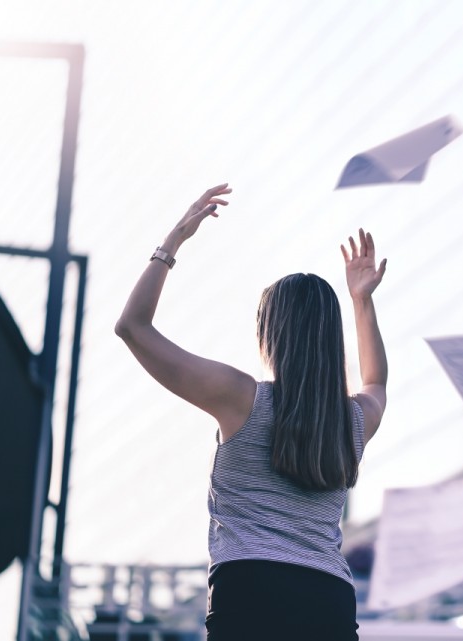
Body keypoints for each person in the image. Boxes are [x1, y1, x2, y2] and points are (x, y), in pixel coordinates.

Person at [115, 184, 387, 640]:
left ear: (270, 334)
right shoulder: (352, 421)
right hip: (328, 600)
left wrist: (173, 242)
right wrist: (362, 301)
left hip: (249, 590)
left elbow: (132, 327)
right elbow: (376, 381)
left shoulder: (240, 397)